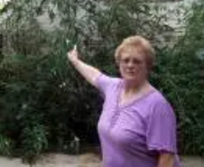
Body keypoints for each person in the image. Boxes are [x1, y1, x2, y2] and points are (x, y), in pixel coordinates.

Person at [67, 35, 181, 167]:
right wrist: (75, 61)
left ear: (148, 65)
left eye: (137, 61)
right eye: (125, 60)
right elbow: (95, 76)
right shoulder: (113, 87)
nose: (130, 65)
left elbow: (167, 157)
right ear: (119, 63)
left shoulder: (157, 105)